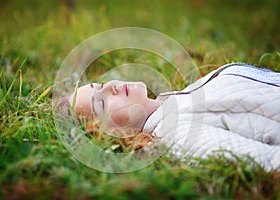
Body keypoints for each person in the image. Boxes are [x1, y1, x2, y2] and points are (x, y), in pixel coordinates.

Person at [58, 63, 280, 171]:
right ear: (113, 133)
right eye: (101, 103)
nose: (111, 88)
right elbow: (269, 162)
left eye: (101, 85)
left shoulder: (180, 99)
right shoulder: (177, 133)